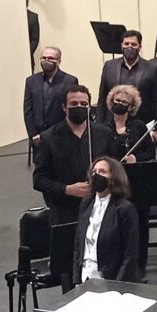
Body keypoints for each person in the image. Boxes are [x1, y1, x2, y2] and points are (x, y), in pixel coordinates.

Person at [69, 155, 145, 312]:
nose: (96, 175)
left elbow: (131, 254)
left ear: (114, 177)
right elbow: (80, 241)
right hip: (90, 280)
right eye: (94, 171)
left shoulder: (125, 209)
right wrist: (77, 277)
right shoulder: (87, 203)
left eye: (102, 171)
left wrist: (119, 287)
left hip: (115, 284)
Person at [31, 85, 115, 227]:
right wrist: (66, 189)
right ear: (64, 107)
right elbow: (39, 180)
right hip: (65, 211)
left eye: (83, 104)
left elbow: (115, 170)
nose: (79, 107)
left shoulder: (104, 134)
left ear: (89, 107)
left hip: (100, 207)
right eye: (74, 104)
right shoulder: (49, 138)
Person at [22, 45, 81, 149]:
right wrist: (33, 134)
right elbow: (28, 109)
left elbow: (71, 109)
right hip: (38, 137)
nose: (46, 61)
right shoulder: (31, 81)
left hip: (61, 136)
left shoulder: (70, 81)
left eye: (50, 58)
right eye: (44, 58)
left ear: (59, 61)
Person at [97, 29, 157, 121]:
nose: (129, 47)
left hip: (141, 121)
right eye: (126, 44)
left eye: (133, 44)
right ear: (121, 45)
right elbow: (102, 98)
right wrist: (99, 123)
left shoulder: (152, 69)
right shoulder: (109, 66)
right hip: (113, 121)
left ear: (140, 46)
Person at [102, 83, 157, 165]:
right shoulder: (104, 127)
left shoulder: (139, 126)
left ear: (131, 107)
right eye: (117, 100)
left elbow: (151, 153)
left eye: (124, 102)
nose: (120, 103)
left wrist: (136, 158)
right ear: (111, 101)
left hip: (135, 169)